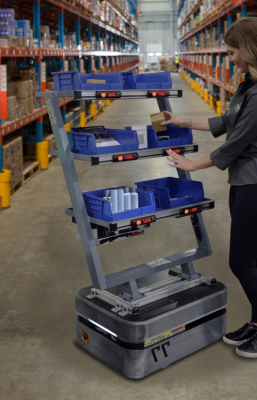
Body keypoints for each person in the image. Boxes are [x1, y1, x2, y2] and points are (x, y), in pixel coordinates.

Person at [162, 17, 257, 359]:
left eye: (233, 52)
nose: (230, 58)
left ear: (249, 50)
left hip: (254, 183)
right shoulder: (248, 85)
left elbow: (235, 144)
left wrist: (193, 165)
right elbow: (227, 122)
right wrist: (183, 121)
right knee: (252, 259)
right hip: (243, 180)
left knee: (242, 261)